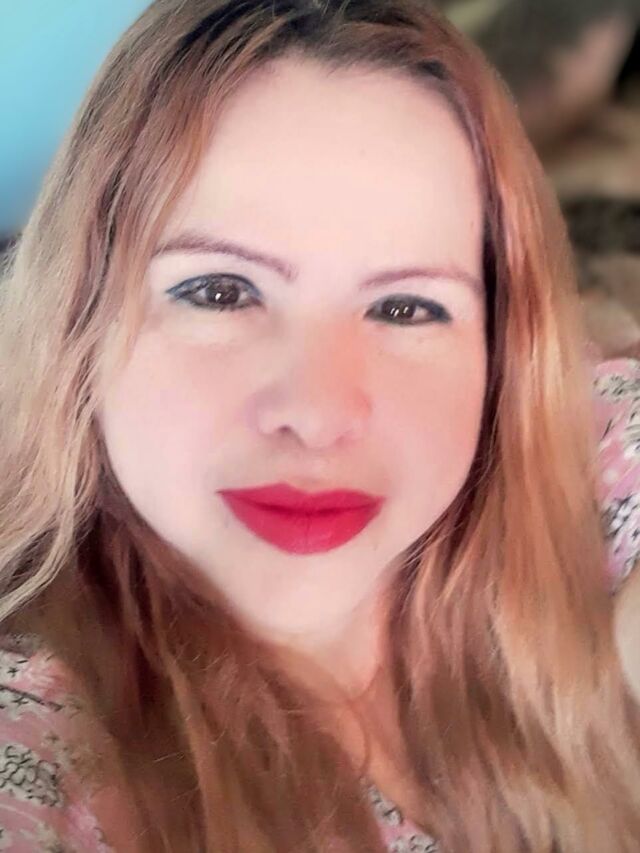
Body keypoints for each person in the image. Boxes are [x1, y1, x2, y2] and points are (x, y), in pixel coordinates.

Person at [0, 1, 639, 850]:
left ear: (503, 348)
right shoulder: (41, 740)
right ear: (78, 315)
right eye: (220, 291)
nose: (317, 415)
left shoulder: (571, 433)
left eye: (406, 306)